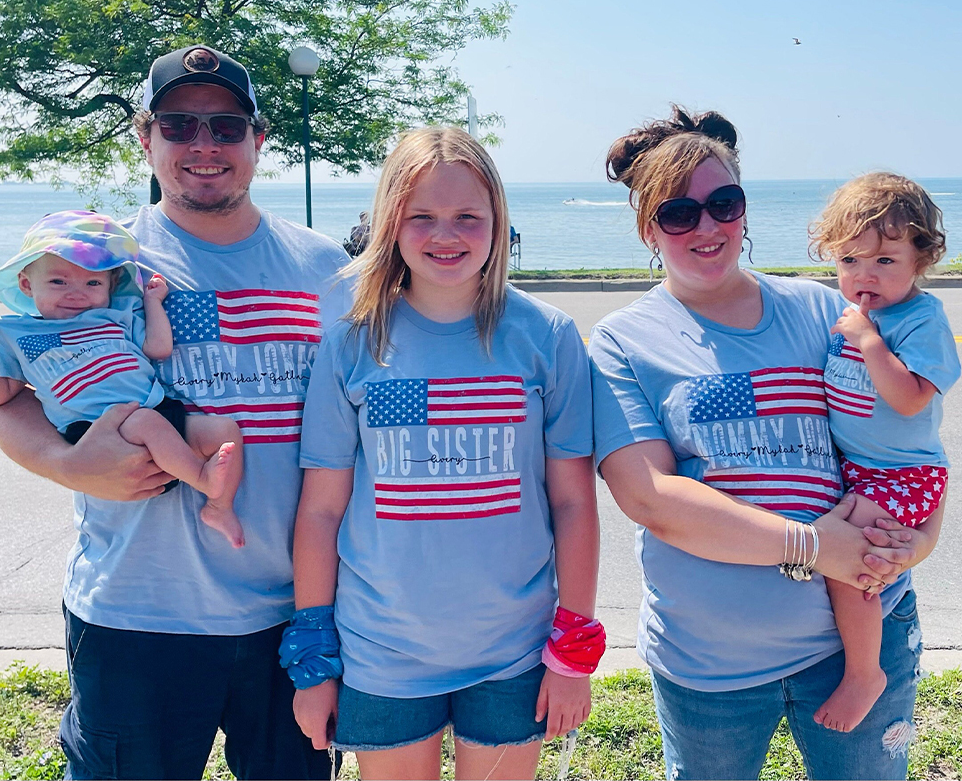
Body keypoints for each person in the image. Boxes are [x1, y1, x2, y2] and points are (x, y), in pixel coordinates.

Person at [0, 45, 347, 780]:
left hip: (297, 611)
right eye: (179, 125)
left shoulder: (329, 271)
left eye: (226, 127)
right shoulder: (97, 263)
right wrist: (65, 462)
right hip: (135, 611)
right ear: (144, 138)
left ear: (259, 139)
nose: (203, 145)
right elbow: (13, 398)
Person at [588, 105, 943, 780]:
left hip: (858, 640)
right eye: (678, 213)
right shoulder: (621, 341)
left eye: (724, 203)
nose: (708, 226)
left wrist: (920, 541)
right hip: (707, 662)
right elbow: (651, 496)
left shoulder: (824, 310)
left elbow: (905, 438)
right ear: (647, 228)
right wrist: (812, 545)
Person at [287, 127, 602, 781]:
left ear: (498, 222)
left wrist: (573, 650)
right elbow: (320, 512)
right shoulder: (351, 344)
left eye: (467, 217)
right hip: (381, 651)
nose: (445, 235)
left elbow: (573, 503)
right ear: (390, 224)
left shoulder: (547, 336)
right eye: (421, 217)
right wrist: (313, 659)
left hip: (516, 651)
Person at [0, 211, 244, 547]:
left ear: (111, 286)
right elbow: (1, 396)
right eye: (58, 282)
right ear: (26, 284)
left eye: (93, 283)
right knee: (144, 421)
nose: (77, 293)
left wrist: (152, 302)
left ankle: (219, 507)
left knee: (225, 432)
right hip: (95, 431)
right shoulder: (19, 333)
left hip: (157, 412)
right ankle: (201, 477)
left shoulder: (115, 316)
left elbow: (158, 348)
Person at [808, 173, 958, 732]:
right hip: (861, 469)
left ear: (922, 260)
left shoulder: (920, 320)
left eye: (885, 261)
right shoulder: (848, 312)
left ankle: (864, 673)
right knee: (844, 552)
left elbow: (911, 399)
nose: (864, 275)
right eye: (849, 260)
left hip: (903, 473)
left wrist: (869, 339)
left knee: (849, 561)